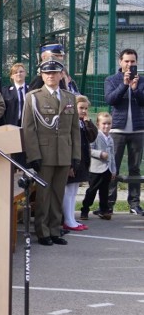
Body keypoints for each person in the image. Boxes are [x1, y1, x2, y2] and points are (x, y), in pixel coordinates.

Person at [22, 60, 81, 246]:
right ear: (41, 75)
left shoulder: (69, 97)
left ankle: (55, 230)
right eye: (47, 73)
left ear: (61, 74)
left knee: (58, 193)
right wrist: (34, 155)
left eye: (55, 73)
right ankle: (42, 231)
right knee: (43, 194)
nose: (51, 76)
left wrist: (76, 155)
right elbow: (28, 129)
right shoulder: (33, 97)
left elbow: (75, 130)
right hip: (44, 153)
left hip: (64, 151)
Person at [104, 48, 144, 216]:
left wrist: (135, 89)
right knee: (114, 168)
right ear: (120, 62)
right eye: (126, 61)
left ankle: (134, 203)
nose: (129, 65)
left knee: (135, 168)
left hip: (138, 130)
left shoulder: (142, 80)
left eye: (132, 61)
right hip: (117, 130)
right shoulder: (111, 80)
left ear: (136, 62)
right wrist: (124, 85)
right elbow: (110, 99)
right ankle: (109, 203)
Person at [63, 95, 97, 231]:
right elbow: (68, 144)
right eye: (81, 108)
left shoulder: (83, 123)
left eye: (86, 108)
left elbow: (92, 137)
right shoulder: (71, 123)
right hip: (73, 161)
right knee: (68, 191)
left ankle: (71, 217)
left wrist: (88, 122)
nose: (83, 111)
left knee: (74, 191)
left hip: (82, 161)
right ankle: (67, 219)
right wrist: (70, 164)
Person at [80, 112, 117, 220]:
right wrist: (100, 154)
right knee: (92, 190)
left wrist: (113, 170)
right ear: (98, 124)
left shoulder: (110, 138)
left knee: (104, 191)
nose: (106, 126)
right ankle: (85, 209)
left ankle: (104, 210)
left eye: (109, 124)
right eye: (104, 123)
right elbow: (89, 150)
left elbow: (112, 155)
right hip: (96, 169)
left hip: (107, 169)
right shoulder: (95, 135)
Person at [2, 63, 29, 127]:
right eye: (15, 72)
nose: (19, 74)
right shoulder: (5, 91)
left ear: (25, 73)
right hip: (11, 125)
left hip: (28, 125)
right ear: (11, 76)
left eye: (21, 71)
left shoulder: (31, 90)